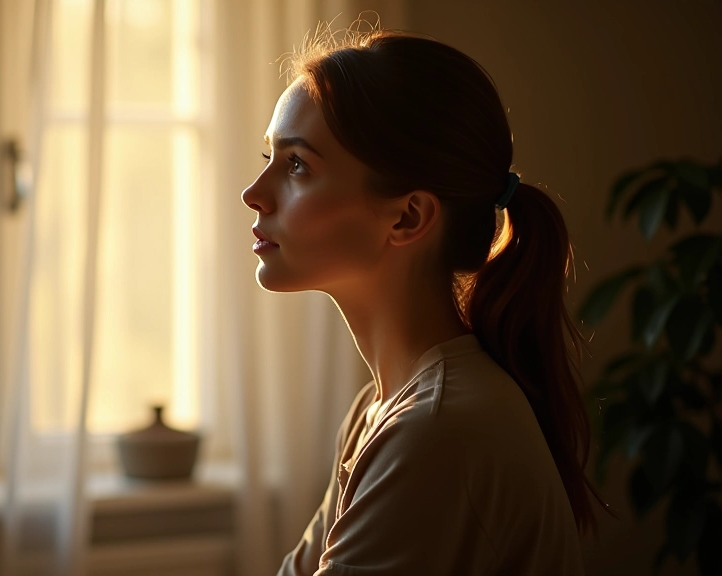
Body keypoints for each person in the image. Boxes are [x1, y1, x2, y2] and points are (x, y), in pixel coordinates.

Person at [241, 27, 606, 575]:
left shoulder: (436, 430)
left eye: (297, 166)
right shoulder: (378, 410)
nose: (254, 192)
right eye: (271, 156)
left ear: (408, 217)